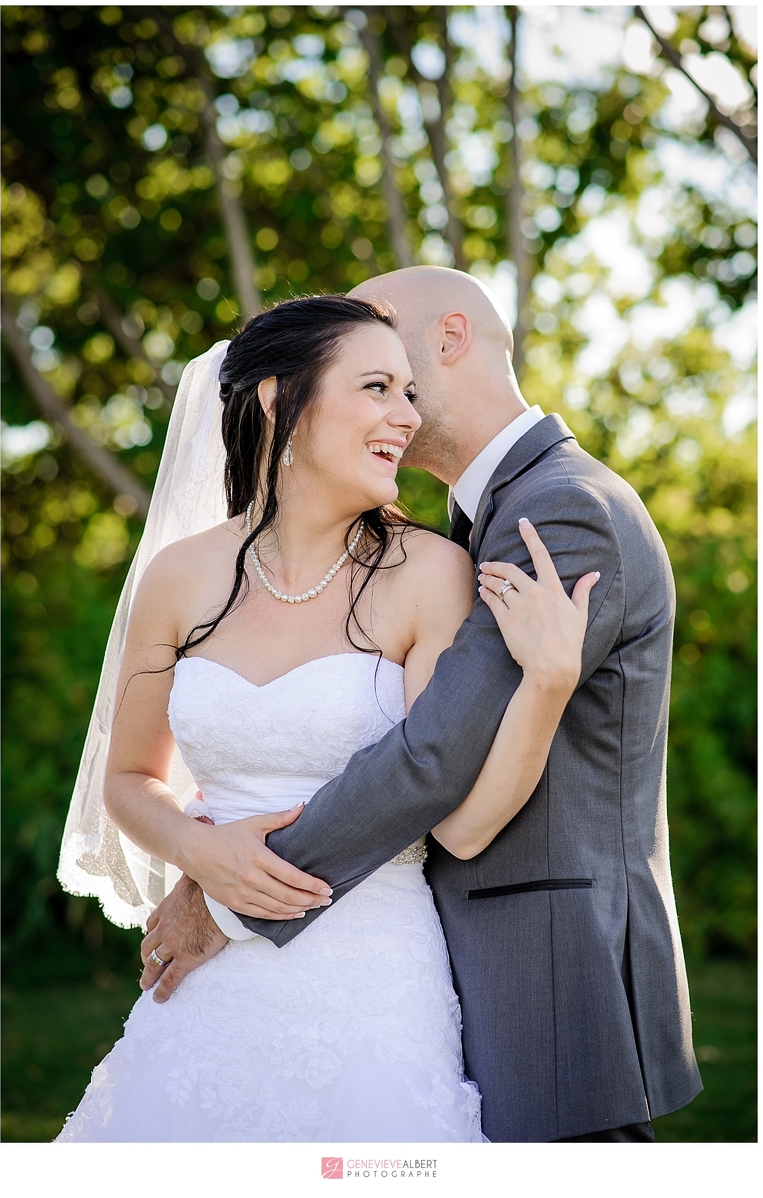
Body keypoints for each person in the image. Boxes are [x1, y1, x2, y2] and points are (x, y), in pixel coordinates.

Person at [139, 268, 702, 1143]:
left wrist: (226, 895)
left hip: (549, 973)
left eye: (394, 367)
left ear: (447, 337)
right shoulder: (486, 513)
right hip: (441, 965)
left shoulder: (558, 511)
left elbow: (430, 757)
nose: (396, 405)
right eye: (373, 383)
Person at [56, 294, 596, 1143]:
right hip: (205, 992)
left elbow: (461, 824)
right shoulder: (179, 576)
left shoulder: (431, 573)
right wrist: (197, 850)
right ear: (281, 401)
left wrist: (550, 683)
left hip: (373, 988)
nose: (406, 417)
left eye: (410, 392)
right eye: (377, 387)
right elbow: (127, 780)